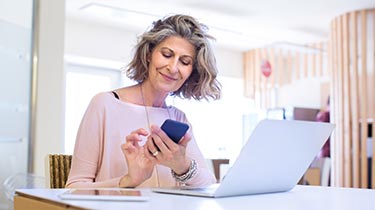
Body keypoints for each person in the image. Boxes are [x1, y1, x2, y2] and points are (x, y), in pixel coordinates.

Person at [66, 14, 221, 188]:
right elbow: (74, 187)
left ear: (191, 71)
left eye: (185, 62)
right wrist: (128, 181)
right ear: (148, 54)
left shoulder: (178, 118)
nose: (173, 68)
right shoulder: (104, 104)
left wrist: (182, 165)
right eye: (167, 54)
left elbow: (209, 184)